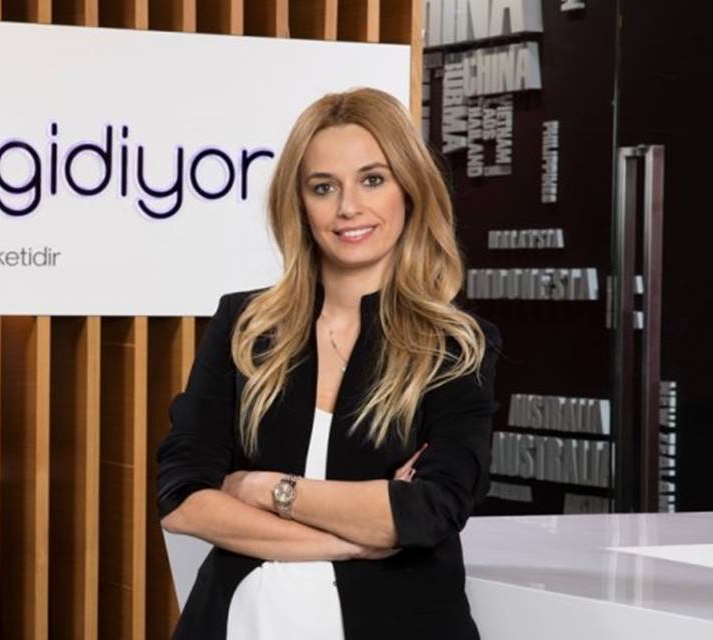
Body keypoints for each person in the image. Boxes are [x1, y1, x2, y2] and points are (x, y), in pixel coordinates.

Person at [155, 87, 503, 639]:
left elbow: (428, 510)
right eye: (323, 187)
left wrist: (264, 489)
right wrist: (354, 541)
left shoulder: (455, 346)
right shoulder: (244, 326)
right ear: (299, 204)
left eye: (373, 179)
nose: (348, 207)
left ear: (409, 190)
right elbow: (183, 500)